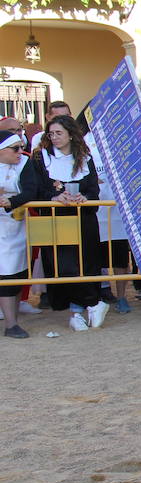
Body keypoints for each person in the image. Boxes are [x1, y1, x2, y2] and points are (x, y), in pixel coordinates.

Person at [31, 115, 107, 331]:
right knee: (63, 266)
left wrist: (85, 198)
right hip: (55, 220)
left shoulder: (85, 157)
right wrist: (53, 198)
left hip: (83, 219)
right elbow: (35, 189)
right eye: (51, 133)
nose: (54, 137)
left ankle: (77, 312)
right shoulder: (40, 158)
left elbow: (93, 190)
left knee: (87, 264)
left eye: (58, 133)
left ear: (71, 134)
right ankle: (93, 303)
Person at [0, 131, 40, 337]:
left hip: (17, 223)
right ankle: (10, 323)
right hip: (1, 230)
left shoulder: (25, 163)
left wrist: (11, 201)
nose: (19, 152)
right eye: (14, 148)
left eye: (20, 146)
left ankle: (12, 319)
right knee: (5, 273)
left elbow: (30, 190)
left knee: (18, 273)